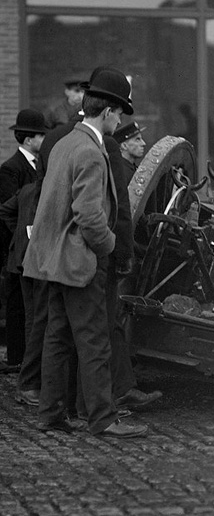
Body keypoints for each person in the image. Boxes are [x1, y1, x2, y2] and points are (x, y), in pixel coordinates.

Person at [23, 66, 147, 438]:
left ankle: (51, 413)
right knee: (95, 340)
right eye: (120, 113)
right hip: (81, 262)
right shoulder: (92, 153)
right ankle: (104, 419)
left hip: (53, 261)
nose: (120, 120)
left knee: (57, 338)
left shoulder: (62, 143)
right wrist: (108, 248)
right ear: (107, 112)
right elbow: (90, 216)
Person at [0, 110, 48, 373]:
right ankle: (17, 358)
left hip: (29, 249)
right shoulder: (11, 168)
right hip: (18, 250)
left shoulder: (36, 165)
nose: (44, 139)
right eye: (41, 134)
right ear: (29, 139)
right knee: (20, 306)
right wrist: (24, 232)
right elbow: (9, 209)